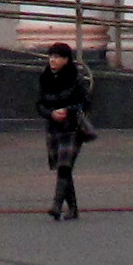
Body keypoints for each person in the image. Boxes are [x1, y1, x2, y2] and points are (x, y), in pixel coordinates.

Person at [35, 41, 96, 221]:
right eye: (51, 56)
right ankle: (73, 209)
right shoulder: (44, 77)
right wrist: (50, 113)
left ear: (66, 60)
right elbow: (39, 104)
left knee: (64, 165)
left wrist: (67, 110)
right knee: (63, 168)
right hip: (53, 127)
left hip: (72, 127)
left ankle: (56, 205)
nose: (52, 60)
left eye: (57, 57)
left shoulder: (76, 78)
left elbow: (85, 103)